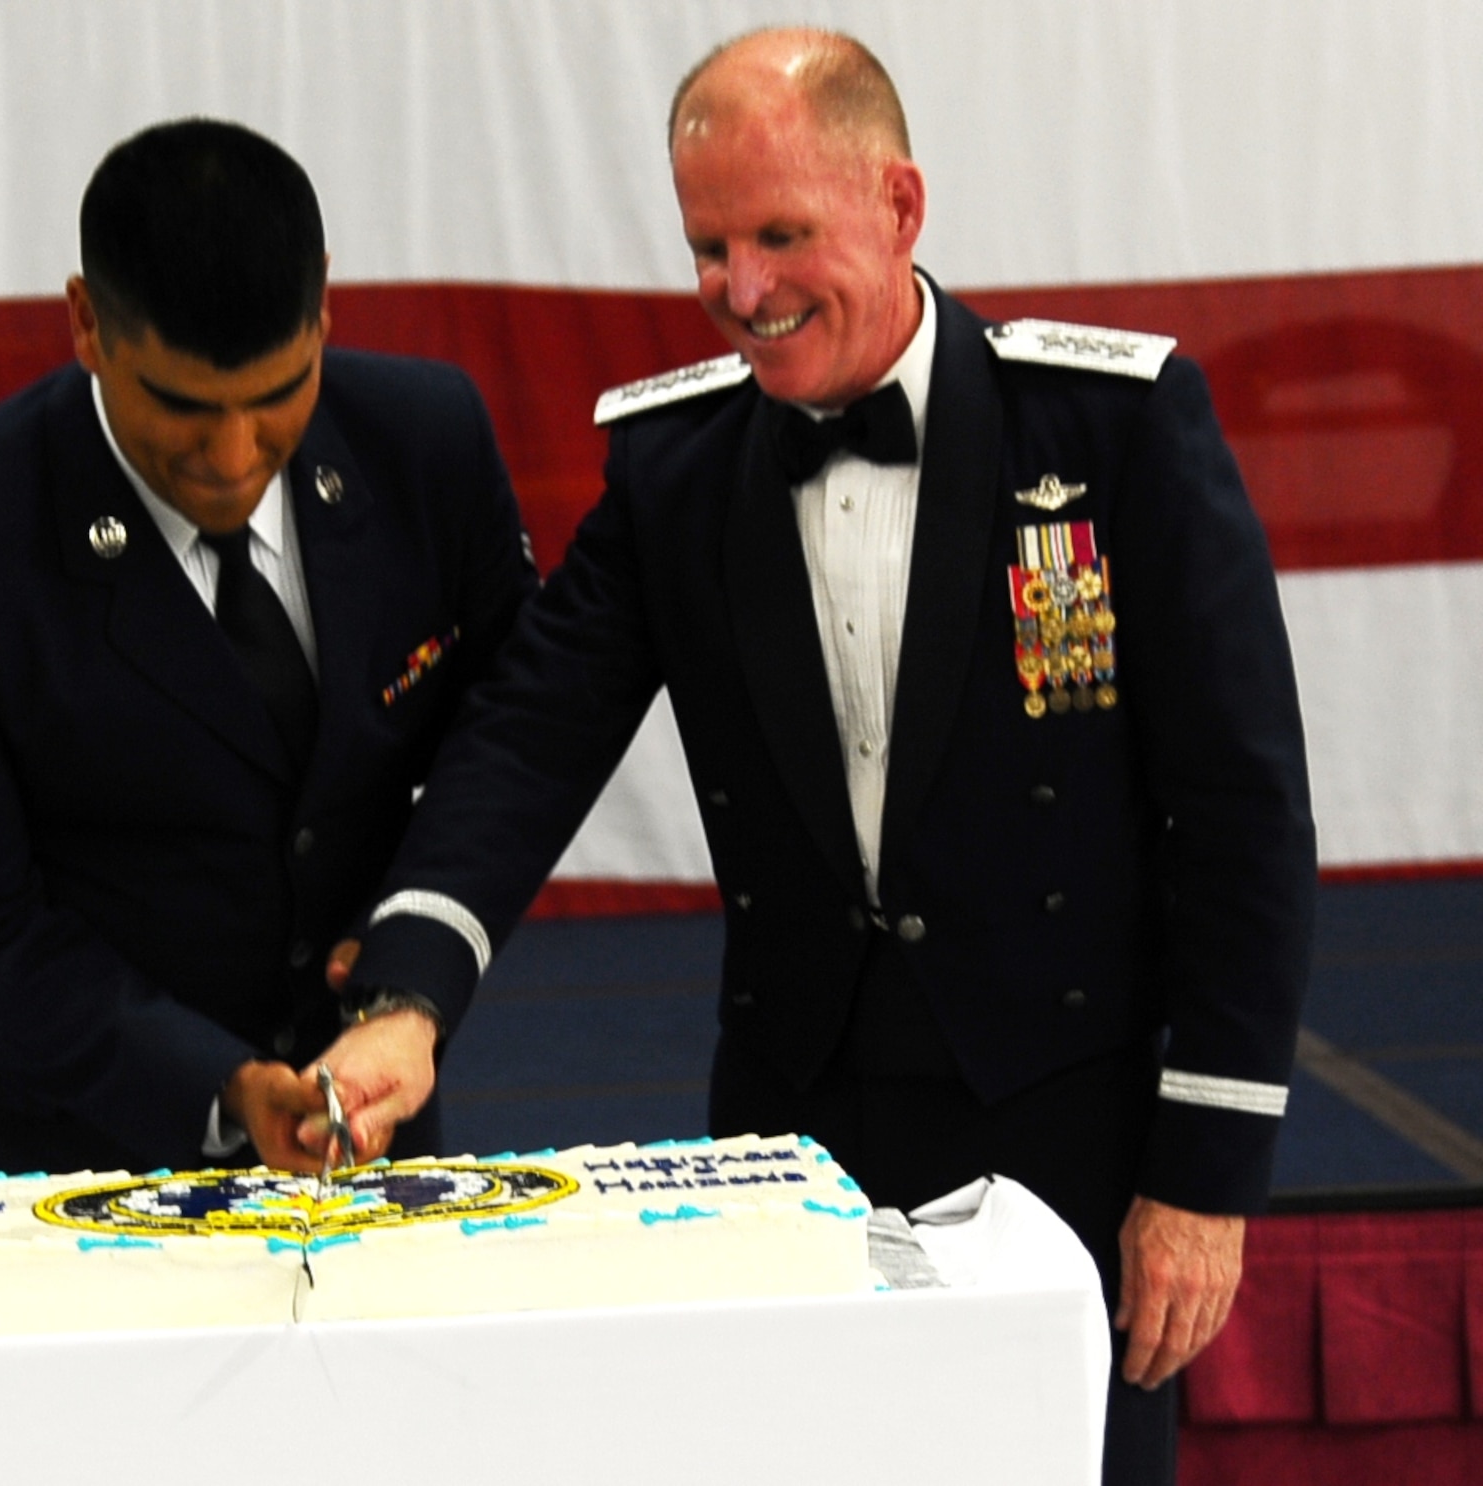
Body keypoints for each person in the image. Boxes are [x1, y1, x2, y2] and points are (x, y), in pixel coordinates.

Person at [339, 29, 1313, 1486]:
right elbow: (526, 738)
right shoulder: (676, 474)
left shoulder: (1107, 427)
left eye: (782, 234)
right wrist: (409, 995)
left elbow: (1242, 813)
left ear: (901, 206)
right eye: (709, 246)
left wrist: (1206, 1177)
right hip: (798, 1135)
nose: (744, 292)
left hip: (1065, 1132)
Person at [0, 118, 535, 1178]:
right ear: (85, 323)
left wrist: (411, 975)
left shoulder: (425, 440)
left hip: (364, 1127)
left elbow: (512, 735)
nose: (233, 454)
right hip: (51, 1155)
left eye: (279, 392)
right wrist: (219, 1085)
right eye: (182, 407)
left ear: (324, 303)